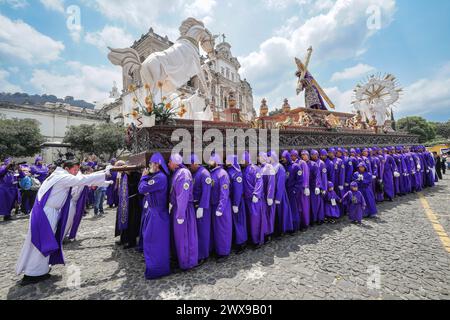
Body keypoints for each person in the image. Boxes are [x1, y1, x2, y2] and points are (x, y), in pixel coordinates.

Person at [16, 159, 110, 285]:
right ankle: (33, 273)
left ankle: (39, 270)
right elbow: (81, 180)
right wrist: (104, 173)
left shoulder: (57, 175)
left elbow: (82, 180)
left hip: (46, 211)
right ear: (66, 168)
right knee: (42, 241)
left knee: (42, 240)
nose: (76, 172)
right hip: (47, 213)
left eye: (78, 170)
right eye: (75, 170)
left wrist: (103, 173)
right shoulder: (63, 177)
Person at [138, 153, 171, 279]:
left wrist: (143, 177)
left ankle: (156, 269)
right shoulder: (157, 176)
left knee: (155, 242)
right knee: (151, 240)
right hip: (154, 213)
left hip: (157, 216)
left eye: (151, 163)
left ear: (157, 164)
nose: (149, 166)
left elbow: (142, 189)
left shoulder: (160, 178)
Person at [168, 153, 198, 270]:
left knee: (185, 237)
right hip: (179, 208)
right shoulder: (178, 173)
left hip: (184, 210)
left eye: (170, 161)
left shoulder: (183, 174)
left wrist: (180, 214)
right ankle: (181, 260)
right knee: (180, 238)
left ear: (175, 162)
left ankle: (187, 262)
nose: (168, 164)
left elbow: (182, 195)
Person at [188, 154, 212, 264]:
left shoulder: (204, 174)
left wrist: (202, 207)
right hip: (195, 206)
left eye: (190, 164)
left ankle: (203, 255)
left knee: (203, 232)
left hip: (202, 207)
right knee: (197, 232)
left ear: (196, 163)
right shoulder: (195, 173)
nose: (189, 166)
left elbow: (206, 193)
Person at [209, 154, 233, 260]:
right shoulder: (212, 173)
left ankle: (224, 252)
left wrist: (220, 208)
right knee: (217, 230)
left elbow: (224, 193)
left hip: (222, 207)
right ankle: (218, 249)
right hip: (214, 205)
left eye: (211, 160)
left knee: (223, 230)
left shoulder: (222, 174)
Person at [115, 161, 143, 249]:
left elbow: (135, 186)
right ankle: (123, 239)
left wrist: (129, 174)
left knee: (131, 222)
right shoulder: (124, 175)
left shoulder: (135, 175)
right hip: (124, 201)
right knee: (122, 220)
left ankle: (131, 241)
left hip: (132, 202)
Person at [241, 151, 265, 247]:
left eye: (242, 160)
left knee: (256, 221)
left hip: (254, 200)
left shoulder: (255, 169)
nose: (241, 162)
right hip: (246, 199)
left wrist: (256, 194)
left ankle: (258, 240)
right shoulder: (243, 170)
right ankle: (251, 239)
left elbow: (259, 182)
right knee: (249, 221)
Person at [225, 154, 247, 253]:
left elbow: (238, 190)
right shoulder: (228, 171)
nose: (225, 160)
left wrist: (236, 204)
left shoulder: (237, 173)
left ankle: (241, 243)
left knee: (239, 222)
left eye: (228, 159)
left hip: (237, 202)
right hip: (230, 201)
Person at [268, 151, 293, 235]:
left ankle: (283, 229)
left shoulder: (280, 167)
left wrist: (278, 197)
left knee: (282, 212)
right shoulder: (270, 166)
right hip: (272, 193)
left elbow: (280, 183)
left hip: (280, 193)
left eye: (270, 157)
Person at [259, 152, 276, 242]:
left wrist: (270, 196)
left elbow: (271, 182)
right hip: (262, 196)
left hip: (267, 196)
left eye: (261, 157)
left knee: (269, 215)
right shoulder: (260, 167)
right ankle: (265, 232)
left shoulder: (269, 167)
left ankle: (269, 233)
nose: (259, 158)